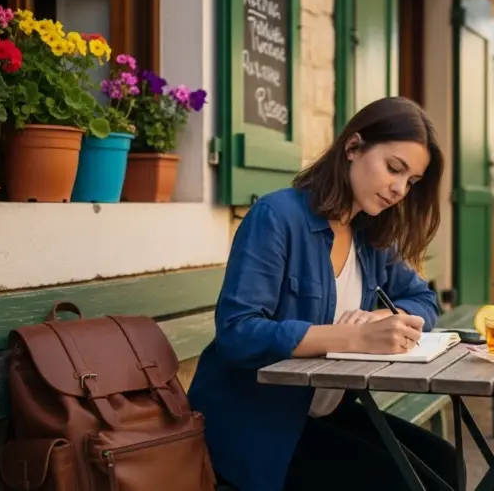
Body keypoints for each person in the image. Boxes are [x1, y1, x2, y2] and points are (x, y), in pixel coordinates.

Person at [187, 97, 457, 491]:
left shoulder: (372, 234)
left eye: (411, 182)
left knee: (444, 463)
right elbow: (237, 333)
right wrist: (352, 337)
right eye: (394, 169)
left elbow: (424, 301)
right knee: (396, 482)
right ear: (353, 147)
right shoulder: (277, 218)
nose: (400, 189)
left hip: (327, 413)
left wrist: (383, 318)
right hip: (258, 423)